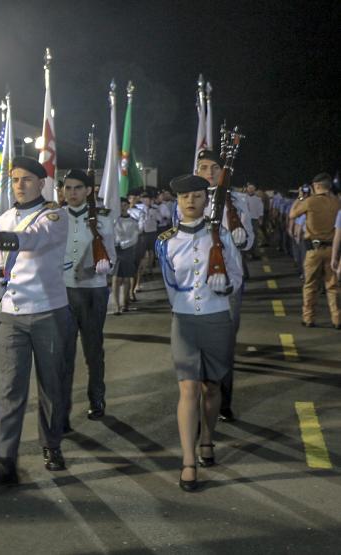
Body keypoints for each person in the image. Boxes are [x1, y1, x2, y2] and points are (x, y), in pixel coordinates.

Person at [0, 156, 72, 486]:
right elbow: (0, 259)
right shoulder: (6, 216)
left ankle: (51, 445)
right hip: (12, 313)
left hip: (48, 309)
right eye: (14, 180)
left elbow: (31, 240)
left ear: (41, 183)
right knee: (10, 389)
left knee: (50, 384)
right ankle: (6, 457)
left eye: (26, 179)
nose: (19, 185)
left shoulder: (54, 215)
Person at [156, 174, 243, 492]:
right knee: (188, 389)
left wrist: (229, 284)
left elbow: (237, 272)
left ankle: (207, 437)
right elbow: (169, 284)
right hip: (184, 321)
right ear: (177, 202)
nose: (190, 201)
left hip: (217, 317)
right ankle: (188, 460)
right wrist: (182, 306)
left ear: (206, 200)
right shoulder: (166, 240)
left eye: (196, 196)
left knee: (211, 388)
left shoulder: (220, 235)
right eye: (184, 197)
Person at [195, 148, 252, 423]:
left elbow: (249, 240)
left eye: (214, 168)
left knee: (225, 346)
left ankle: (223, 401)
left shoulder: (238, 202)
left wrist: (242, 238)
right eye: (203, 167)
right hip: (197, 285)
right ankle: (198, 398)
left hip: (229, 281)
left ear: (223, 171)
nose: (209, 173)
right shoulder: (188, 200)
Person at [60, 169, 116, 421]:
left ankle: (97, 398)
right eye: (67, 188)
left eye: (77, 188)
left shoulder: (103, 218)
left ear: (88, 191)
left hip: (93, 290)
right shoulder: (55, 217)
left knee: (93, 349)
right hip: (63, 290)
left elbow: (111, 255)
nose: (72, 193)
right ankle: (63, 405)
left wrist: (105, 266)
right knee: (64, 352)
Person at [289, 173, 341, 328]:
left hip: (314, 249)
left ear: (316, 186)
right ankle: (337, 319)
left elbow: (292, 214)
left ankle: (309, 318)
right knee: (333, 286)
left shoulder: (309, 202)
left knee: (310, 284)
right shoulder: (337, 203)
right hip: (333, 249)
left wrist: (299, 198)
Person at [113, 197, 140, 315]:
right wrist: (116, 243)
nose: (122, 207)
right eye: (120, 205)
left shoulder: (133, 221)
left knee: (126, 278)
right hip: (116, 251)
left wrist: (122, 244)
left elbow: (134, 238)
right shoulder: (114, 220)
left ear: (128, 206)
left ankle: (124, 303)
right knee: (116, 278)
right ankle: (116, 305)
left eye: (125, 205)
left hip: (127, 251)